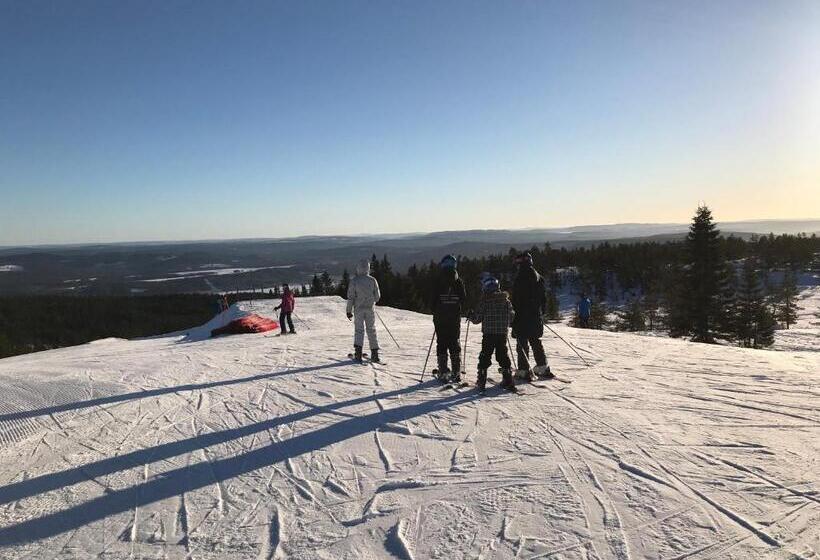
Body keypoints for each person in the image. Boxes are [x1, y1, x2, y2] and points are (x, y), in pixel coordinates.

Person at [511, 252, 553, 381]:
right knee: (535, 340)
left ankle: (523, 370)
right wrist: (541, 312)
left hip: (521, 315)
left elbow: (516, 299)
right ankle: (542, 366)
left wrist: (512, 316)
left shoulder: (520, 278)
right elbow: (543, 298)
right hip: (535, 315)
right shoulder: (538, 277)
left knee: (522, 342)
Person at [470, 275, 515, 392]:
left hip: (488, 334)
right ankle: (508, 379)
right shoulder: (506, 301)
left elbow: (477, 319)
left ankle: (481, 380)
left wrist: (471, 316)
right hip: (502, 334)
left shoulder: (485, 302)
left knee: (485, 355)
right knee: (502, 355)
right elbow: (511, 317)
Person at [431, 254, 466, 383]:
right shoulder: (458, 281)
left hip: (440, 317)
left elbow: (433, 299)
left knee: (442, 343)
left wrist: (435, 311)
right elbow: (463, 298)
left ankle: (443, 371)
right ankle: (456, 371)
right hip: (454, 317)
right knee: (454, 342)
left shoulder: (438, 280)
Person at [346, 259, 381, 363]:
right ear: (368, 268)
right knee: (371, 330)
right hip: (370, 309)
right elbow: (377, 297)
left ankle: (358, 353)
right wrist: (371, 301)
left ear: (358, 268)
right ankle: (375, 353)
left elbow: (351, 297)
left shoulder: (354, 281)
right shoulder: (373, 280)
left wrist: (349, 311)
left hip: (358, 310)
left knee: (359, 330)